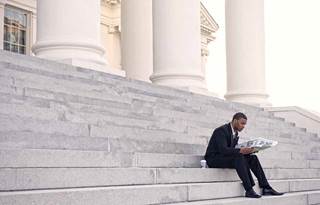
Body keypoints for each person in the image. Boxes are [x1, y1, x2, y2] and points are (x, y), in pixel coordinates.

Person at [204, 112, 284, 198]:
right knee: (239, 156)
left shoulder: (235, 133)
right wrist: (241, 150)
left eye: (245, 124)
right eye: (242, 123)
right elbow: (223, 150)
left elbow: (233, 149)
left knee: (252, 158)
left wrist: (249, 150)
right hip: (214, 159)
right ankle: (249, 190)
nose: (243, 126)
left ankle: (266, 187)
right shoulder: (221, 130)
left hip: (226, 157)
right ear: (235, 121)